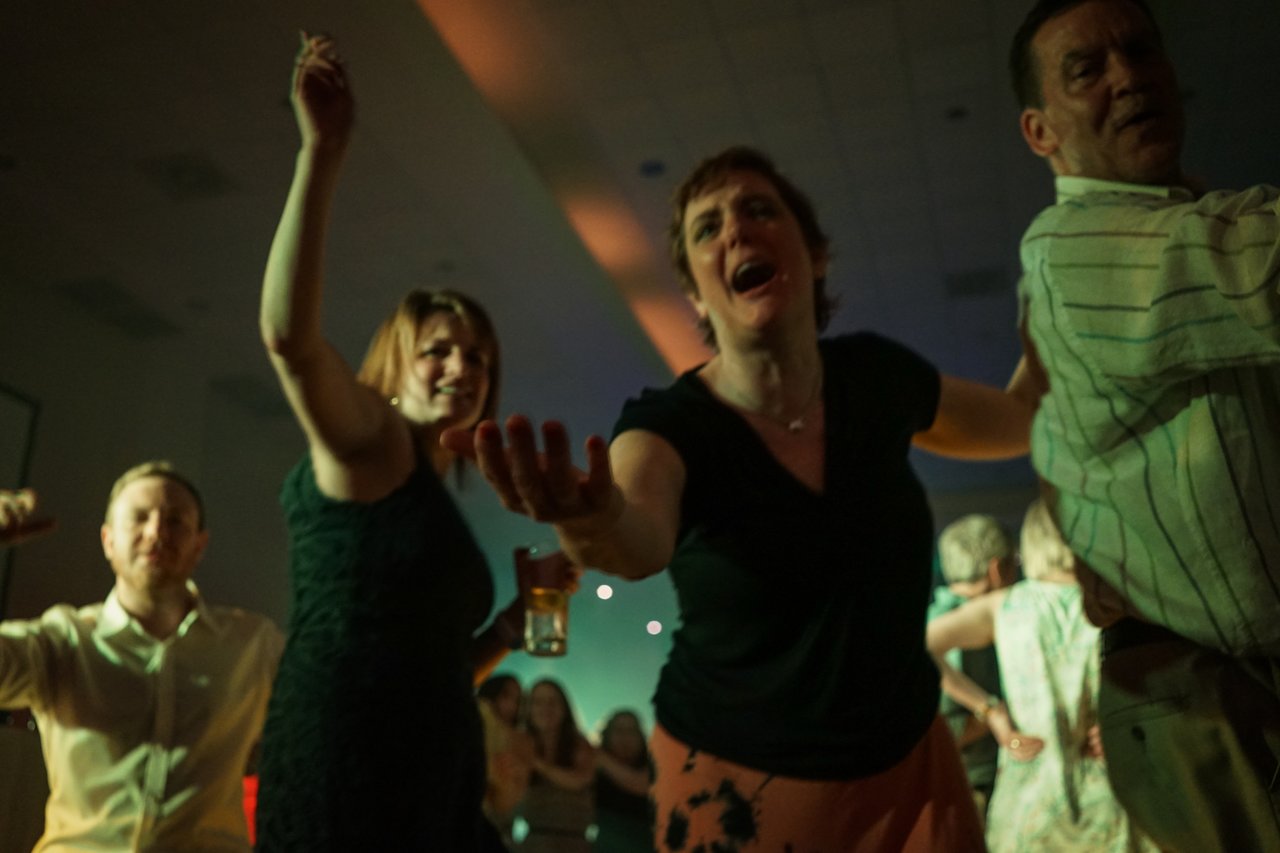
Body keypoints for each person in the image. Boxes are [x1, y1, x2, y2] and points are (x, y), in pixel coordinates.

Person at [445, 145, 1036, 851]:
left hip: (911, 772)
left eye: (759, 209)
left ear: (813, 255)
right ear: (695, 294)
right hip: (737, 788)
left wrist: (1058, 308)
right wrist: (588, 520)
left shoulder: (876, 378)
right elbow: (634, 539)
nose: (734, 231)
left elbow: (1020, 420)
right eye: (707, 228)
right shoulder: (671, 424)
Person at [1009, 1, 1280, 848]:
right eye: (1086, 69)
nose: (1128, 76)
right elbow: (1257, 275)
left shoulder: (1176, 218)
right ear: (1040, 130)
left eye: (1140, 50)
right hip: (1206, 694)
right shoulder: (1073, 246)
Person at [254, 33, 523, 851]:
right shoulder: (369, 441)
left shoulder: (430, 483)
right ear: (397, 362)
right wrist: (322, 153)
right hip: (352, 776)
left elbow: (426, 665)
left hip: (425, 776)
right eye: (438, 349)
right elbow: (289, 340)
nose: (461, 367)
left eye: (477, 357)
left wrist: (506, 634)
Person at [0, 463, 283, 851]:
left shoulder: (252, 645)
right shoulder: (62, 641)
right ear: (108, 541)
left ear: (199, 545)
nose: (156, 532)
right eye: (139, 518)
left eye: (175, 521)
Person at [928, 500, 1156, 852]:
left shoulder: (1006, 605)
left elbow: (920, 644)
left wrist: (991, 711)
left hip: (1030, 799)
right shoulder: (1122, 602)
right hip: (1113, 791)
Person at [928, 514, 1017, 818]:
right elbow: (944, 730)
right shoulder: (954, 629)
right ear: (996, 570)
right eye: (1014, 563)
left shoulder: (930, 616)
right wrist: (995, 713)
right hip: (976, 790)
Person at [516, 678, 595, 852]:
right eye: (538, 702)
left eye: (553, 701)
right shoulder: (519, 744)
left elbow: (579, 780)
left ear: (564, 708)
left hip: (575, 844)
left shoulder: (580, 745)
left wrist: (535, 762)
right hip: (532, 844)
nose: (546, 708)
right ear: (527, 709)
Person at [478, 674, 535, 848]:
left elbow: (506, 805)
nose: (512, 705)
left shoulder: (522, 742)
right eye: (506, 696)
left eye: (518, 700)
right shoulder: (472, 721)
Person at [592, 710, 654, 853]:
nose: (625, 737)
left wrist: (600, 757)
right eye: (619, 730)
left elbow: (641, 784)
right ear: (607, 735)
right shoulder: (595, 774)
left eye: (631, 731)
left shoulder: (655, 766)